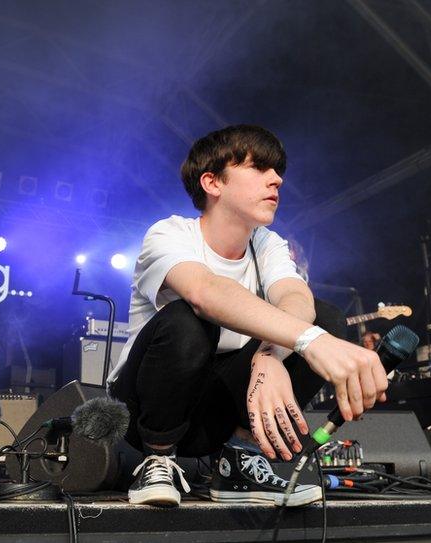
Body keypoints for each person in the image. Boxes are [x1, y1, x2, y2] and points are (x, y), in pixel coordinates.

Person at [107, 125, 388, 507]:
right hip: (144, 412)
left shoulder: (266, 242)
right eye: (259, 168)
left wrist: (271, 355)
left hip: (213, 414)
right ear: (212, 182)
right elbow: (206, 293)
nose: (277, 179)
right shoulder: (169, 234)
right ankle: (158, 459)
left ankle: (239, 457)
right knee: (189, 321)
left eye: (277, 171)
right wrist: (306, 341)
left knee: (326, 318)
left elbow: (294, 295)